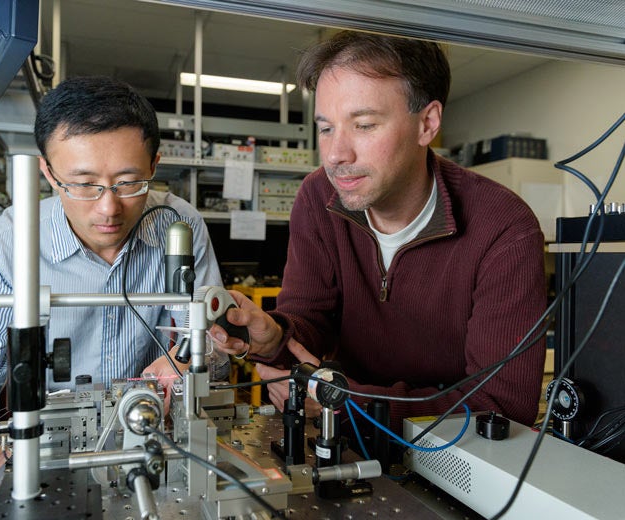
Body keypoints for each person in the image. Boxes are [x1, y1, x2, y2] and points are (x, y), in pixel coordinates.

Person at [213, 31, 547, 431]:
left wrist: (352, 404)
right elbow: (309, 324)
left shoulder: (504, 228)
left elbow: (501, 407)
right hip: (342, 439)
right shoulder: (318, 197)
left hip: (458, 459)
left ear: (427, 123)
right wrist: (275, 336)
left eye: (364, 125)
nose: (337, 154)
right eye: (325, 128)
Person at [0, 76, 222, 486]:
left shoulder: (180, 226)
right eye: (83, 184)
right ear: (47, 170)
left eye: (128, 182)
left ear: (154, 164)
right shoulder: (4, 245)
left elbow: (209, 345)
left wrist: (183, 365)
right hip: (43, 454)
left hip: (152, 442)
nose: (108, 207)